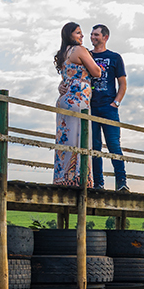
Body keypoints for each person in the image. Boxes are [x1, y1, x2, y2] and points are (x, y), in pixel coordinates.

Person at [52, 22, 102, 186]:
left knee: (65, 138)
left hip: (64, 98)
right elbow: (97, 72)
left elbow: (66, 77)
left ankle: (62, 178)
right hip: (78, 97)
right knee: (80, 136)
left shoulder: (63, 54)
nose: (82, 36)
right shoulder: (79, 50)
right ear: (70, 35)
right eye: (78, 33)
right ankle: (78, 178)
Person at [87, 24, 128, 192]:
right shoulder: (87, 55)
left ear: (105, 37)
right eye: (91, 34)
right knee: (94, 147)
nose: (92, 37)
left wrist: (116, 103)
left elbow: (123, 84)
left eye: (96, 34)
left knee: (114, 145)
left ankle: (121, 182)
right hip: (90, 107)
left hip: (109, 108)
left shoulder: (114, 57)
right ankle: (98, 183)